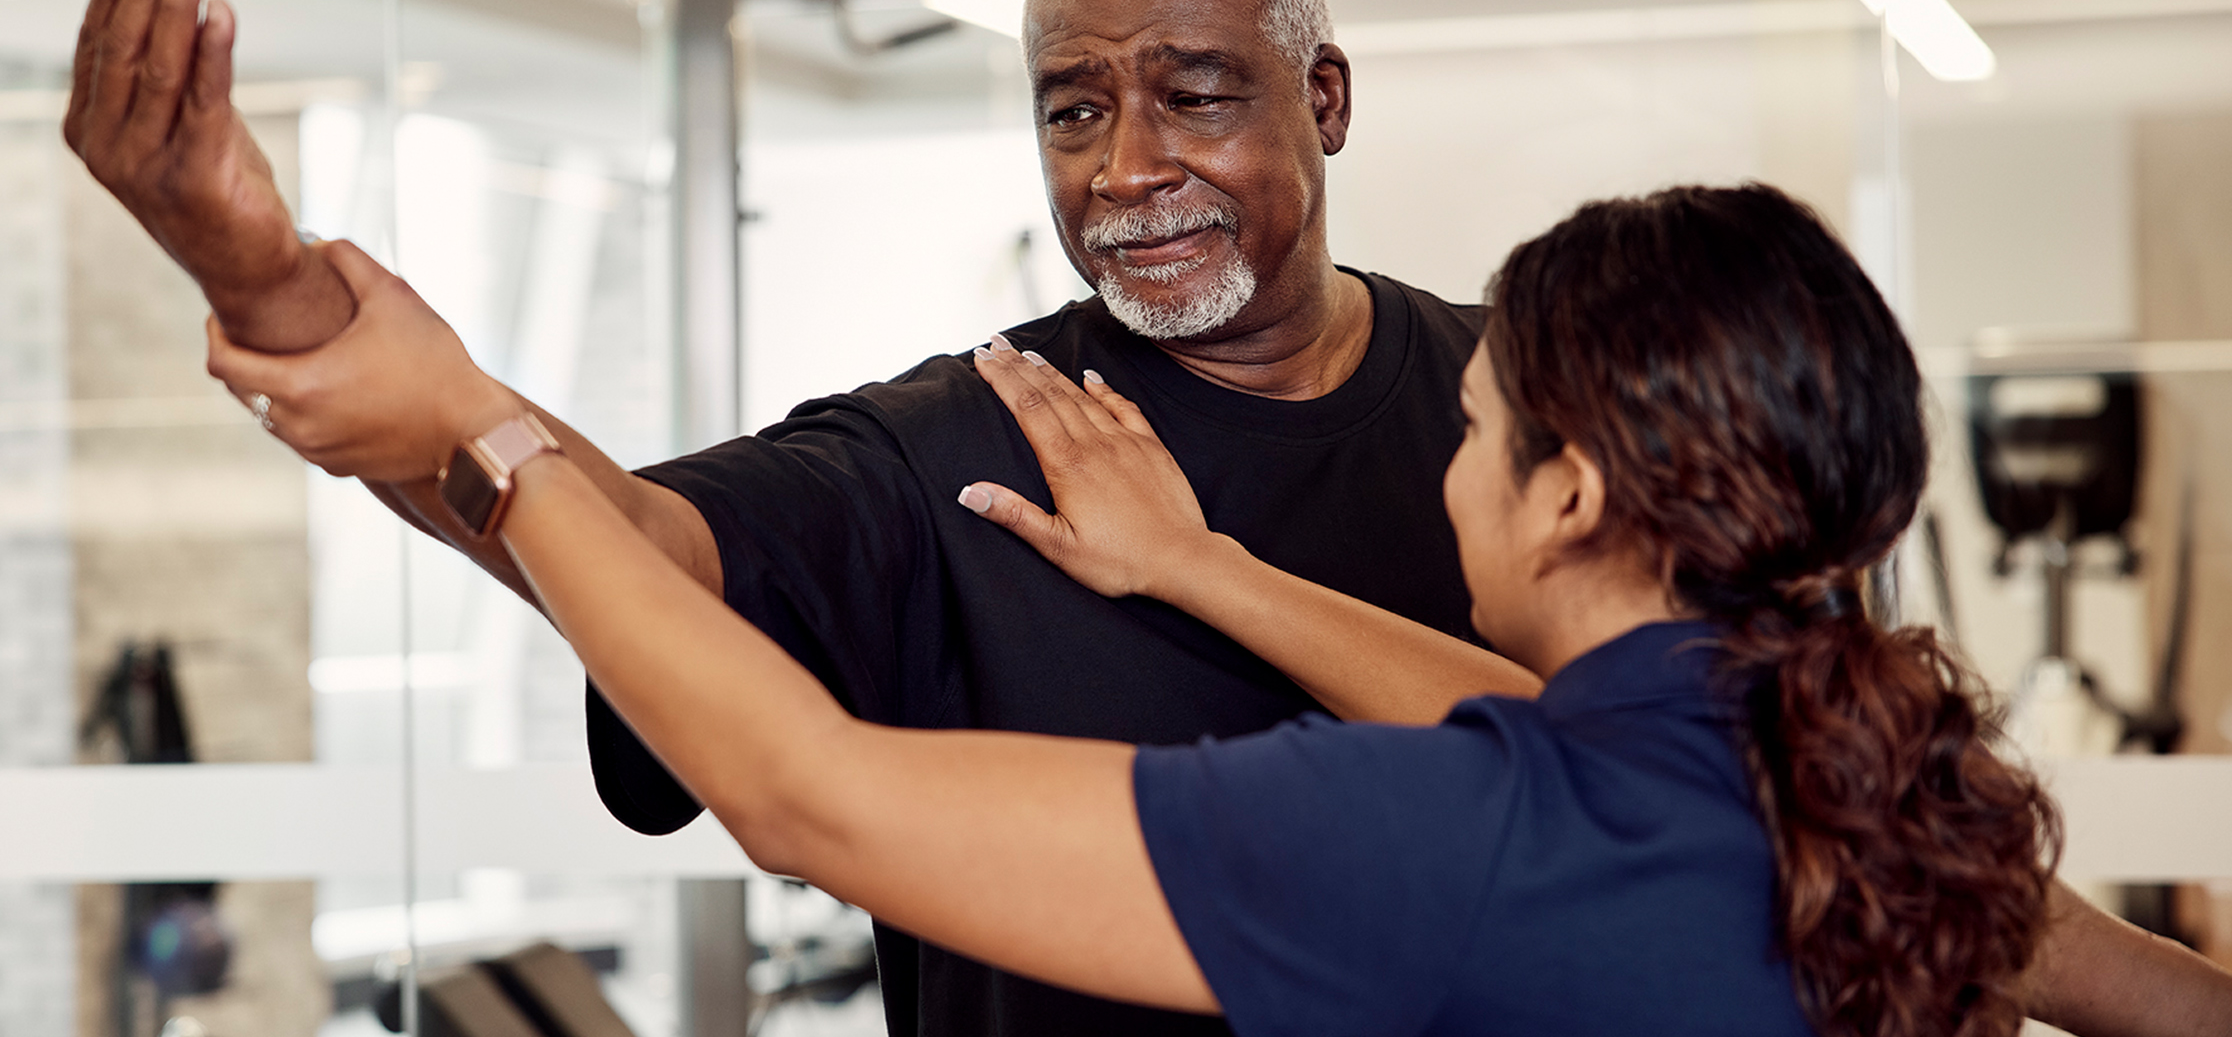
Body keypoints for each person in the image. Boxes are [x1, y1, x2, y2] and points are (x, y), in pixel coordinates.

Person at [63, 0, 2231, 1037]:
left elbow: (816, 794)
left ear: (1329, 101)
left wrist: (482, 419)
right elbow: (635, 555)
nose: (1126, 168)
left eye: (1193, 91)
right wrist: (300, 311)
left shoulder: (1559, 431)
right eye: (1070, 107)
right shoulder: (965, 440)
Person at [221, 182, 2097, 1035]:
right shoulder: (1880, 800)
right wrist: (1201, 567)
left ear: (1575, 494)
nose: (1452, 466)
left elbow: (814, 798)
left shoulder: (1470, 839)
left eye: (1479, 429)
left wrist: (483, 435)